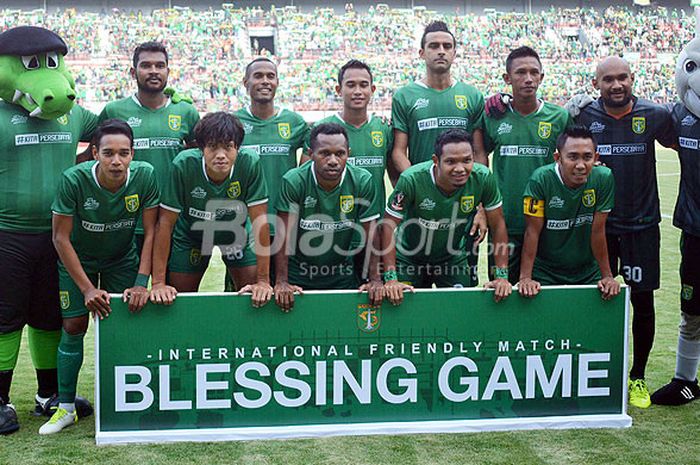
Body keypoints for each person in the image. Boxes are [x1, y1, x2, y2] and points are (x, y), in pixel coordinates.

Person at [0, 26, 99, 435]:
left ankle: (48, 395)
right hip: (7, 234)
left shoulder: (73, 113)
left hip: (58, 236)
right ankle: (0, 400)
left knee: (48, 316)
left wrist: (168, 103)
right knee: (5, 319)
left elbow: (119, 129)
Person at [39, 119, 159, 434]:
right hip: (79, 259)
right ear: (95, 153)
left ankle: (129, 401)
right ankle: (65, 408)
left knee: (127, 320)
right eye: (108, 153)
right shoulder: (73, 180)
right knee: (74, 324)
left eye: (123, 153)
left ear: (133, 154)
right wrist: (89, 288)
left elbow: (151, 231)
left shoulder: (145, 176)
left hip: (121, 259)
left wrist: (141, 281)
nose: (116, 161)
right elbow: (60, 239)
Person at [573, 56, 674, 409]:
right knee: (591, 300)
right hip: (597, 227)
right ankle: (588, 376)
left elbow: (685, 139)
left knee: (642, 302)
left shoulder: (655, 115)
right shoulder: (584, 116)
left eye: (623, 78)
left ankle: (638, 378)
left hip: (642, 227)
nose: (616, 85)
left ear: (633, 79)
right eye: (608, 80)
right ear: (596, 84)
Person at [391, 21, 487, 284]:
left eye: (447, 46)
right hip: (419, 206)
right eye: (434, 46)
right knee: (408, 302)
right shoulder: (405, 96)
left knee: (460, 302)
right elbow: (398, 152)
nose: (441, 51)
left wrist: (481, 206)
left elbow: (479, 154)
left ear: (455, 52)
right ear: (422, 53)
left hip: (461, 209)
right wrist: (419, 185)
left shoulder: (471, 96)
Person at [149, 112, 272, 308]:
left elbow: (260, 220)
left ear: (238, 148)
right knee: (178, 302)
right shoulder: (183, 164)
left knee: (254, 295)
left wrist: (264, 281)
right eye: (213, 147)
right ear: (201, 148)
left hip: (235, 233)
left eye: (228, 147)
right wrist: (157, 283)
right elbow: (165, 223)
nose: (221, 155)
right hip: (191, 234)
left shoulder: (250, 162)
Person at [382, 129, 511, 304]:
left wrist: (502, 276)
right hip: (409, 257)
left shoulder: (483, 177)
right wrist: (391, 279)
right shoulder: (411, 179)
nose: (460, 169)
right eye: (450, 162)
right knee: (406, 313)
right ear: (436, 161)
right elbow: (387, 227)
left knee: (460, 311)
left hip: (452, 258)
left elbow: (498, 225)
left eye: (467, 160)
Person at [478, 46, 572, 284]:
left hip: (547, 223)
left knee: (542, 295)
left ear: (542, 76)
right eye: (520, 72)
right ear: (507, 78)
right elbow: (480, 158)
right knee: (500, 293)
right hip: (503, 222)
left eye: (534, 72)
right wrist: (482, 204)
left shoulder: (559, 117)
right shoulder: (492, 116)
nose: (528, 79)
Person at [98, 41, 200, 254]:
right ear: (133, 72)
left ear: (168, 71)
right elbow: (95, 157)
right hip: (126, 220)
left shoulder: (187, 112)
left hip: (174, 218)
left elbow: (197, 160)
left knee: (170, 287)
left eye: (159, 66)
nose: (154, 71)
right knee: (130, 287)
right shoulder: (114, 110)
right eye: (146, 65)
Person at [274, 123, 382, 312]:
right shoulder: (294, 181)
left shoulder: (362, 180)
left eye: (340, 154)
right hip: (299, 273)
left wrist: (375, 279)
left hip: (342, 273)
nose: (333, 160)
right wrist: (282, 281)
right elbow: (283, 236)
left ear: (348, 153)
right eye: (324, 153)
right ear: (311, 153)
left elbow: (371, 234)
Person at [303, 59, 392, 281]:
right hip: (332, 233)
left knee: (372, 302)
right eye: (350, 85)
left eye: (363, 85)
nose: (357, 91)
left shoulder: (383, 129)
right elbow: (304, 178)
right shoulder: (322, 131)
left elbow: (394, 176)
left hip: (372, 234)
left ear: (372, 90)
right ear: (338, 89)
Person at [225, 57, 308, 290]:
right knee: (247, 293)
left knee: (286, 291)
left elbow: (311, 158)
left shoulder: (294, 122)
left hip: (285, 224)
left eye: (270, 76)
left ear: (278, 82)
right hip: (243, 227)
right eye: (258, 76)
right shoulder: (233, 123)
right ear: (245, 82)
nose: (265, 81)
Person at [651, 38, 700, 405]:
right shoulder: (679, 117)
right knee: (692, 308)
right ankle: (686, 380)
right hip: (695, 231)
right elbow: (636, 113)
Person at [518, 125, 620, 301]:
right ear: (558, 158)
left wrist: (607, 276)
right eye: (572, 157)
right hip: (546, 271)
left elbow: (598, 231)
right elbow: (532, 232)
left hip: (587, 271)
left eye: (587, 157)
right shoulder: (540, 179)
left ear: (596, 158)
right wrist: (525, 278)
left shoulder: (603, 178)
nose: (580, 165)